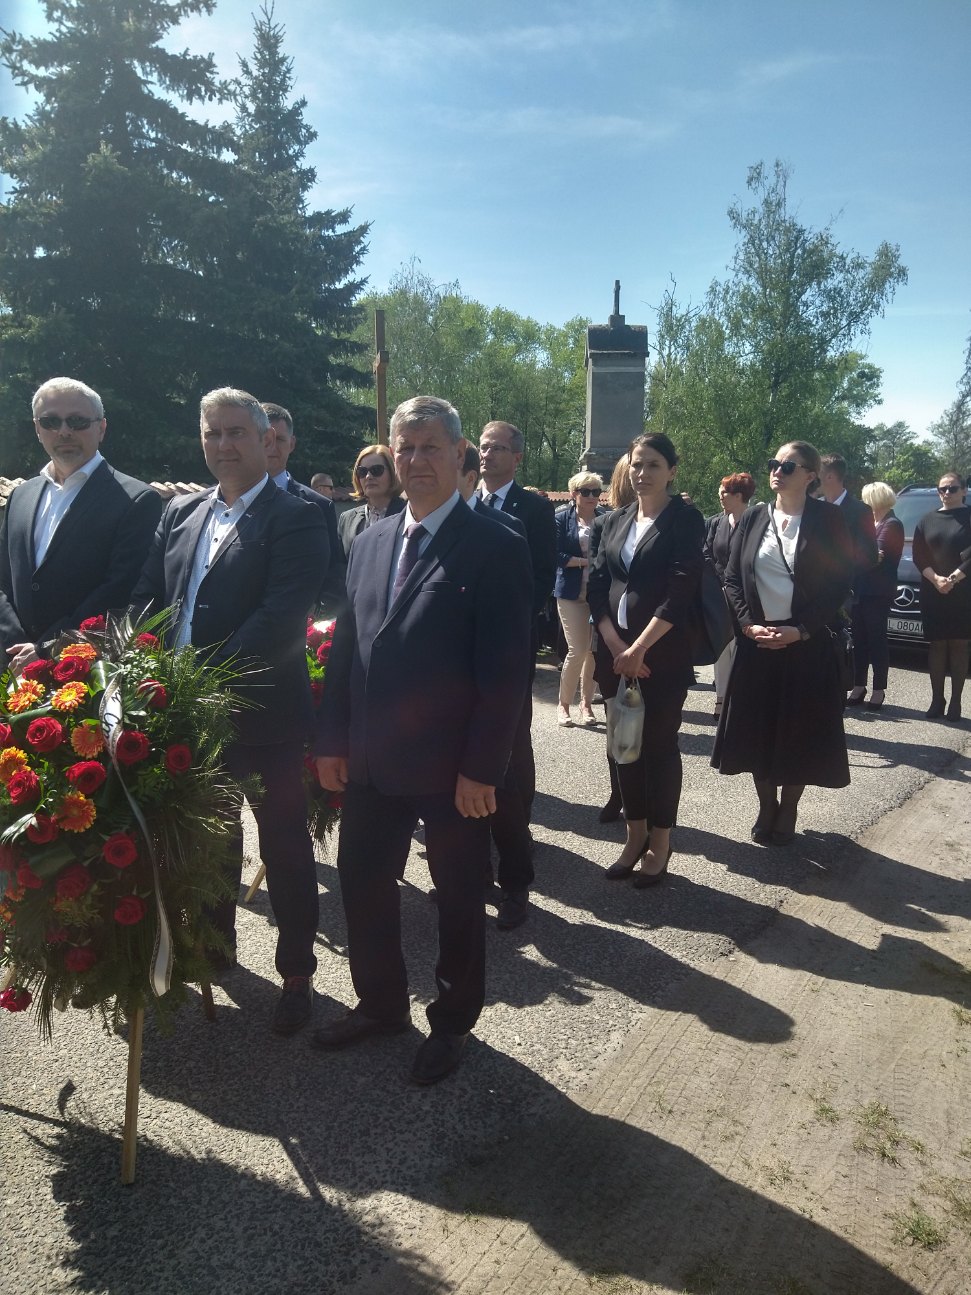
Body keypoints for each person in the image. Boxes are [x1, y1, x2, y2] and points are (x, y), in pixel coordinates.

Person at [312, 396, 532, 1085]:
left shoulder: (496, 545)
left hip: (452, 770)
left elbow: (505, 674)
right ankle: (381, 1004)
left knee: (458, 898)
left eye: (430, 447)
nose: (415, 461)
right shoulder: (371, 540)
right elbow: (348, 651)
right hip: (372, 759)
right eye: (404, 448)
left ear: (459, 454)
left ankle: (453, 1021)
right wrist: (332, 740)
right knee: (362, 882)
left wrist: (482, 768)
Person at [130, 388, 329, 1036]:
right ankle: (215, 949)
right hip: (186, 716)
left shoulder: (296, 516)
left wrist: (197, 681)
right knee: (212, 839)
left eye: (236, 432)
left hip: (263, 716)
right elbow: (150, 594)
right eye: (212, 433)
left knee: (283, 845)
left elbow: (279, 617)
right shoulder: (181, 511)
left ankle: (296, 972)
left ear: (265, 438)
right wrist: (140, 659)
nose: (223, 444)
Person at [711, 442, 853, 845]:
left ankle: (789, 806)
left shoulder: (829, 519)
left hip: (805, 644)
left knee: (798, 732)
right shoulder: (754, 516)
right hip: (757, 642)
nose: (778, 470)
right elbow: (732, 578)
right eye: (774, 463)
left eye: (789, 466)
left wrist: (802, 629)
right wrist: (747, 626)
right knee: (758, 729)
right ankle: (766, 805)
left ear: (810, 476)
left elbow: (840, 583)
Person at [587, 433, 704, 886]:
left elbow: (681, 590)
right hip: (615, 657)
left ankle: (660, 842)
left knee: (657, 748)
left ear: (671, 471)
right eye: (637, 464)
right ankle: (633, 836)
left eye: (653, 464)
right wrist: (618, 647)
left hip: (662, 657)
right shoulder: (613, 520)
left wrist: (639, 649)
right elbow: (597, 586)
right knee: (624, 749)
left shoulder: (685, 519)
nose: (642, 473)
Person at [0, 377, 163, 673]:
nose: (64, 431)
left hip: (82, 673)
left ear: (101, 428)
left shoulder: (136, 500)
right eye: (50, 421)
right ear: (37, 429)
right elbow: (3, 579)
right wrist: (16, 645)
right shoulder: (20, 496)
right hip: (12, 666)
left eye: (77, 421)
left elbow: (118, 591)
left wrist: (45, 649)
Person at [477, 419, 557, 929]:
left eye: (498, 448)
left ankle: (515, 870)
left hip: (508, 646)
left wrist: (504, 626)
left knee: (508, 752)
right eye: (482, 446)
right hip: (460, 654)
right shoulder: (464, 502)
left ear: (517, 457)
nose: (487, 454)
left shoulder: (533, 509)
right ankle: (471, 872)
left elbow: (541, 576)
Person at [590, 454, 638, 824]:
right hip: (610, 640)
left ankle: (640, 801)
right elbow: (596, 584)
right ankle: (618, 792)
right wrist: (611, 640)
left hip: (649, 641)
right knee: (615, 719)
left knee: (645, 726)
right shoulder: (603, 524)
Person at [262, 402, 339, 609]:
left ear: (292, 444)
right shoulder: (230, 501)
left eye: (280, 439)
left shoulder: (318, 506)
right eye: (265, 439)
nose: (272, 447)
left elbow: (332, 570)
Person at [912, 471, 971, 721]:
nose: (946, 493)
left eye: (952, 488)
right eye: (942, 489)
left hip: (964, 591)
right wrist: (935, 579)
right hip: (933, 589)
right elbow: (919, 555)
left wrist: (954, 578)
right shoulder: (927, 520)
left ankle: (956, 702)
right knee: (936, 644)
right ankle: (937, 699)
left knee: (959, 644)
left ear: (964, 491)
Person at [846, 482, 904, 710]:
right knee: (859, 640)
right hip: (861, 591)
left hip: (878, 594)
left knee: (876, 640)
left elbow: (876, 557)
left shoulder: (892, 524)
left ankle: (878, 689)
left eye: (865, 499)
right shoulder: (872, 524)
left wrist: (853, 557)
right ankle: (859, 685)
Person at [555, 472, 605, 727]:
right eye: (586, 491)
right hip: (571, 594)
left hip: (598, 594)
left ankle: (586, 704)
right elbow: (555, 554)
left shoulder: (606, 519)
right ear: (574, 493)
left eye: (596, 492)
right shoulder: (561, 519)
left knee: (592, 652)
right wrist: (587, 562)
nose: (591, 496)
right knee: (577, 650)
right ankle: (564, 705)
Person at [704, 473, 756, 718]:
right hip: (720, 594)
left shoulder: (755, 522)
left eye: (725, 492)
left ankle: (742, 699)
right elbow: (707, 553)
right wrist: (720, 583)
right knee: (722, 647)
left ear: (739, 495)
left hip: (747, 598)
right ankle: (721, 698)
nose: (721, 497)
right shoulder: (717, 522)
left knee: (743, 648)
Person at [336, 444, 405, 557]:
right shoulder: (346, 519)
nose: (368, 476)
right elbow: (339, 563)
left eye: (376, 470)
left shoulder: (409, 514)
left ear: (393, 473)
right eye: (362, 472)